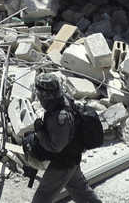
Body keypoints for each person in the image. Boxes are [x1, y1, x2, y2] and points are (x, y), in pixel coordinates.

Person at [26, 72, 101, 203]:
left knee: (42, 197)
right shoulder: (63, 101)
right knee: (81, 191)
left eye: (39, 95)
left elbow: (56, 147)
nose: (39, 98)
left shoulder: (60, 117)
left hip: (62, 163)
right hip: (71, 158)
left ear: (45, 95)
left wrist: (40, 132)